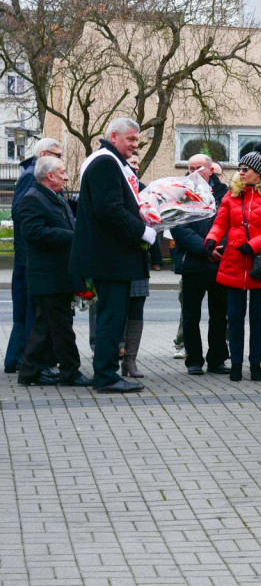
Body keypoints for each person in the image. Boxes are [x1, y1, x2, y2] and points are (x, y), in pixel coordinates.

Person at [71, 117, 154, 393]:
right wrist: (143, 231)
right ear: (114, 136)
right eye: (130, 139)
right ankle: (106, 376)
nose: (134, 144)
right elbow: (110, 211)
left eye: (136, 140)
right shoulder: (106, 162)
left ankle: (105, 373)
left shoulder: (107, 161)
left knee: (111, 315)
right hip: (111, 257)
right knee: (112, 316)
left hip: (110, 257)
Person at [204, 152, 261, 381]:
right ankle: (236, 364)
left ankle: (255, 365)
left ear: (259, 173)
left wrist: (253, 245)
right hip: (233, 262)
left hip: (259, 263)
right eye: (240, 168)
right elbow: (220, 222)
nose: (241, 172)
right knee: (234, 317)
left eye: (245, 169)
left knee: (259, 318)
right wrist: (211, 238)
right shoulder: (232, 196)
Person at [16, 156, 91, 387]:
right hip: (47, 276)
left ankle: (30, 372)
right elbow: (34, 233)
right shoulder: (33, 198)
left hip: (58, 275)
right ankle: (70, 372)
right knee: (61, 327)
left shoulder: (54, 197)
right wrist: (73, 237)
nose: (66, 176)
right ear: (49, 176)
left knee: (45, 326)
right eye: (62, 172)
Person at [5, 137, 63, 374]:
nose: (60, 160)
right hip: (29, 257)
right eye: (56, 155)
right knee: (30, 311)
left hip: (25, 256)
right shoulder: (32, 175)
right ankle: (26, 360)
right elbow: (21, 212)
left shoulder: (28, 171)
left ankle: (15, 359)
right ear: (43, 155)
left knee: (25, 312)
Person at [171, 156, 229, 376]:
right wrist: (206, 249)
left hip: (219, 262)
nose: (194, 172)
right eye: (190, 168)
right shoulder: (181, 193)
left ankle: (217, 359)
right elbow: (179, 227)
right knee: (190, 315)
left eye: (199, 168)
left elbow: (230, 223)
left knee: (219, 314)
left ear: (211, 169)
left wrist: (218, 248)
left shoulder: (225, 193)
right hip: (193, 261)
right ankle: (194, 360)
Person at [121, 152, 151, 379]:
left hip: (139, 257)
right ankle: (114, 354)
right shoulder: (116, 187)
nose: (135, 167)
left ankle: (131, 359)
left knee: (136, 311)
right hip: (117, 259)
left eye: (137, 164)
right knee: (115, 311)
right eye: (131, 163)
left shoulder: (145, 190)